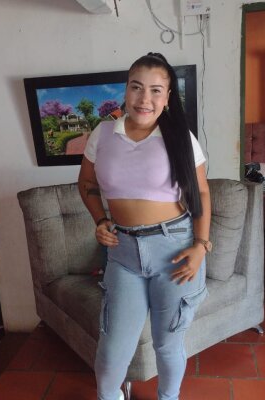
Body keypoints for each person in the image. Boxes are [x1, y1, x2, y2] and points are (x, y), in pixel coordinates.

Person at [78, 52, 211, 400]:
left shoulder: (180, 138)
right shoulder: (103, 133)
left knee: (167, 344)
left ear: (167, 98)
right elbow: (87, 183)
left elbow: (201, 192)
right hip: (122, 253)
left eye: (156, 90)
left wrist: (201, 245)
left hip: (175, 251)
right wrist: (100, 219)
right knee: (112, 351)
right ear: (126, 90)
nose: (144, 98)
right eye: (136, 87)